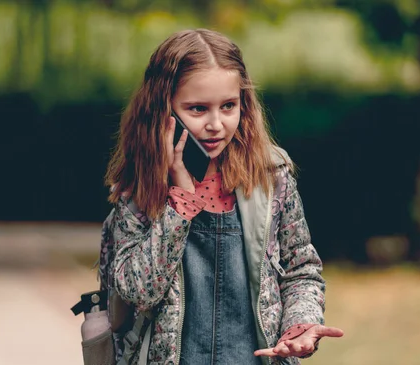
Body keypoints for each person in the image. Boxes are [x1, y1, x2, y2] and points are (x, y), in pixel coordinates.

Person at [99, 28, 343, 365]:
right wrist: (179, 204)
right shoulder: (140, 187)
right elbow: (137, 293)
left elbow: (300, 268)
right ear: (161, 110)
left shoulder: (270, 174)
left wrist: (300, 324)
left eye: (228, 106)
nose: (216, 124)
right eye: (198, 109)